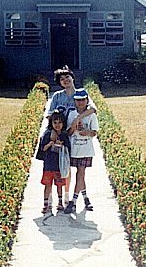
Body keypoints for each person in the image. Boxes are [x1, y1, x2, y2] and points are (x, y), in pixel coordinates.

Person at [42, 66, 97, 200]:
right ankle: (61, 196)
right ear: (59, 83)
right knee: (62, 165)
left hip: (75, 136)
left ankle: (70, 195)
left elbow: (93, 109)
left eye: (67, 77)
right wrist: (53, 131)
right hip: (60, 133)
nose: (65, 80)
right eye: (62, 79)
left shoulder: (80, 93)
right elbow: (49, 115)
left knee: (78, 169)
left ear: (72, 78)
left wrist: (77, 119)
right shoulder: (57, 96)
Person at [64, 88, 99, 214]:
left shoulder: (91, 115)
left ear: (87, 100)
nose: (80, 103)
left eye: (83, 100)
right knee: (80, 176)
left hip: (86, 150)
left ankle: (73, 201)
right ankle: (86, 198)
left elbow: (94, 132)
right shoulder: (71, 114)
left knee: (80, 173)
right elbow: (68, 132)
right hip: (74, 149)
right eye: (78, 100)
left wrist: (86, 132)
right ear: (74, 101)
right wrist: (74, 127)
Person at [39, 110, 71, 214]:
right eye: (55, 122)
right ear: (51, 123)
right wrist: (50, 143)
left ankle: (60, 202)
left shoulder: (64, 135)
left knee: (59, 185)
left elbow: (68, 149)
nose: (57, 125)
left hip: (59, 165)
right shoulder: (48, 134)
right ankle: (46, 204)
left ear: (63, 123)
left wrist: (61, 145)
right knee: (47, 185)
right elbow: (43, 148)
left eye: (60, 122)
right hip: (49, 165)